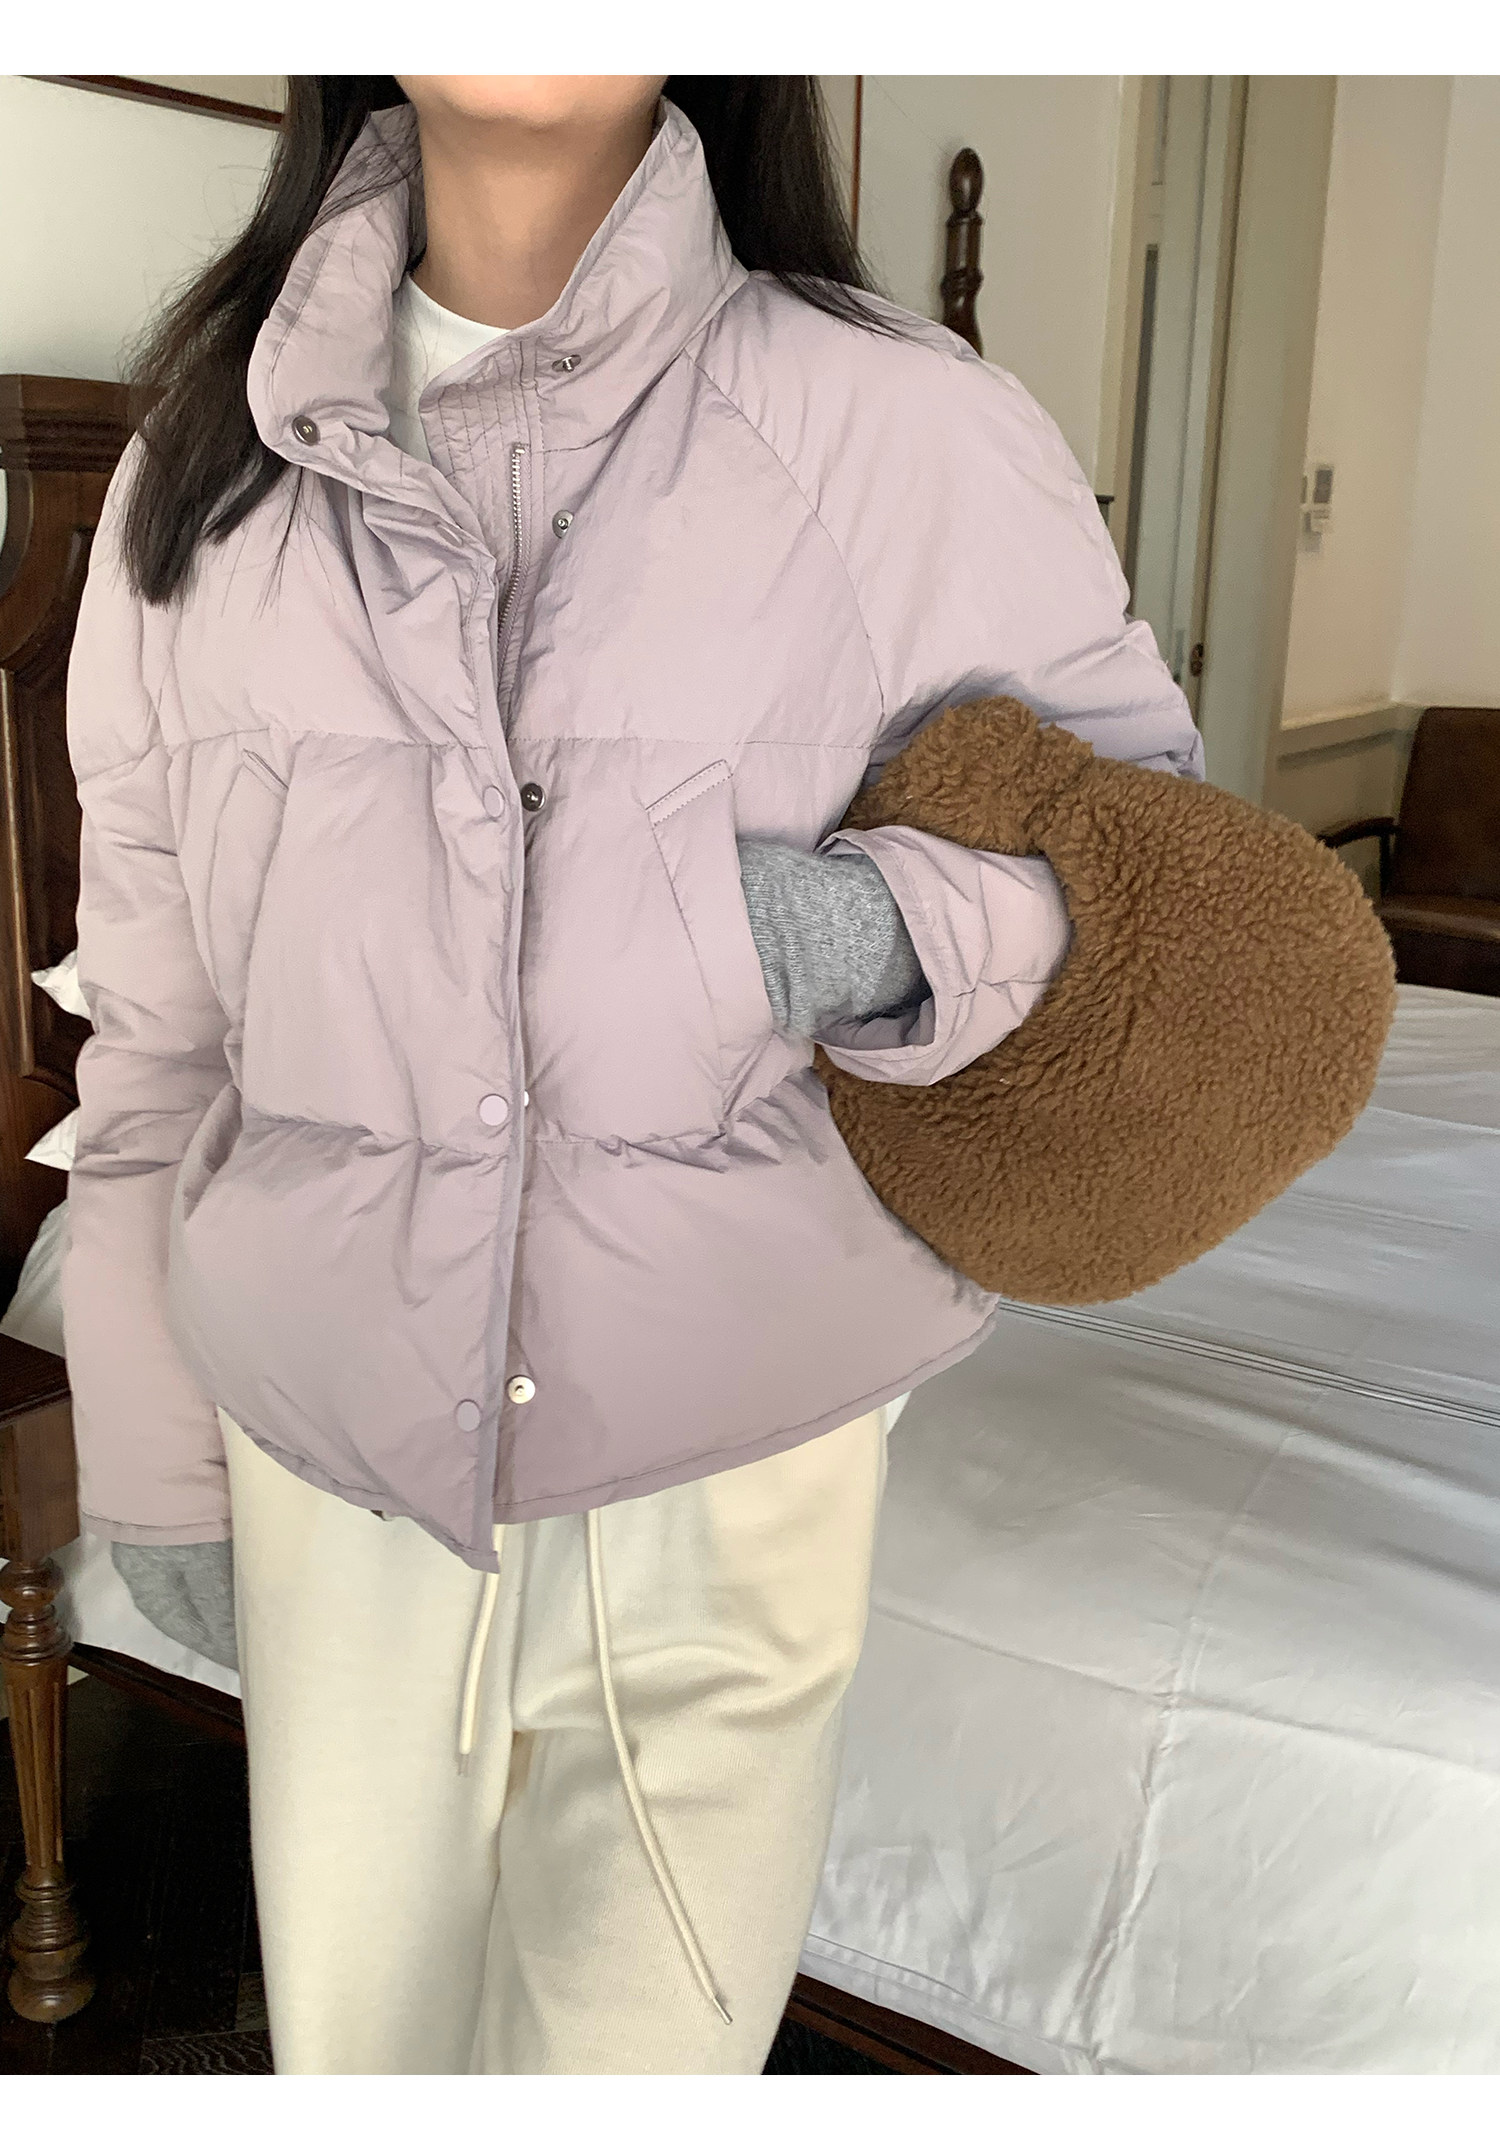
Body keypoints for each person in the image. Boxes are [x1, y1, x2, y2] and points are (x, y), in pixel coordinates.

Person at [62, 75, 1202, 2074]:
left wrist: (859, 930)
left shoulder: (907, 427)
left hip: (731, 1462)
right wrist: (155, 1461)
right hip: (326, 1448)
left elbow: (1150, 882)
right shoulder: (205, 459)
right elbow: (154, 1034)